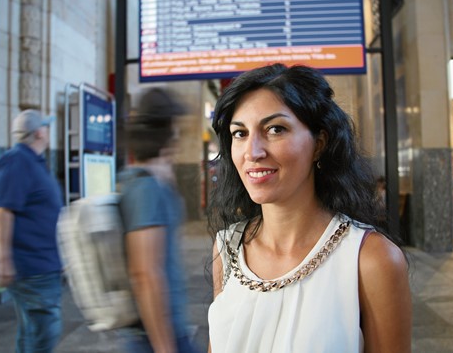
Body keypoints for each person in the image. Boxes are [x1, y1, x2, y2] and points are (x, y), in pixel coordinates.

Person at [207, 64, 412, 353]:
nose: (252, 152)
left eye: (275, 129)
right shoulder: (226, 248)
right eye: (239, 133)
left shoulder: (370, 258)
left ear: (319, 144)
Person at [118, 88, 201, 353]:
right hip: (155, 338)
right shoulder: (146, 189)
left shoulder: (151, 181)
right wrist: (165, 347)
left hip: (163, 330)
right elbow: (146, 275)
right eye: (175, 126)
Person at [0, 109, 64, 353]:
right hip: (34, 269)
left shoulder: (32, 161)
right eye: (47, 127)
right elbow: (1, 212)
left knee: (31, 333)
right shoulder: (17, 160)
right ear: (40, 132)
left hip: (42, 266)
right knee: (44, 332)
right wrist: (2, 262)